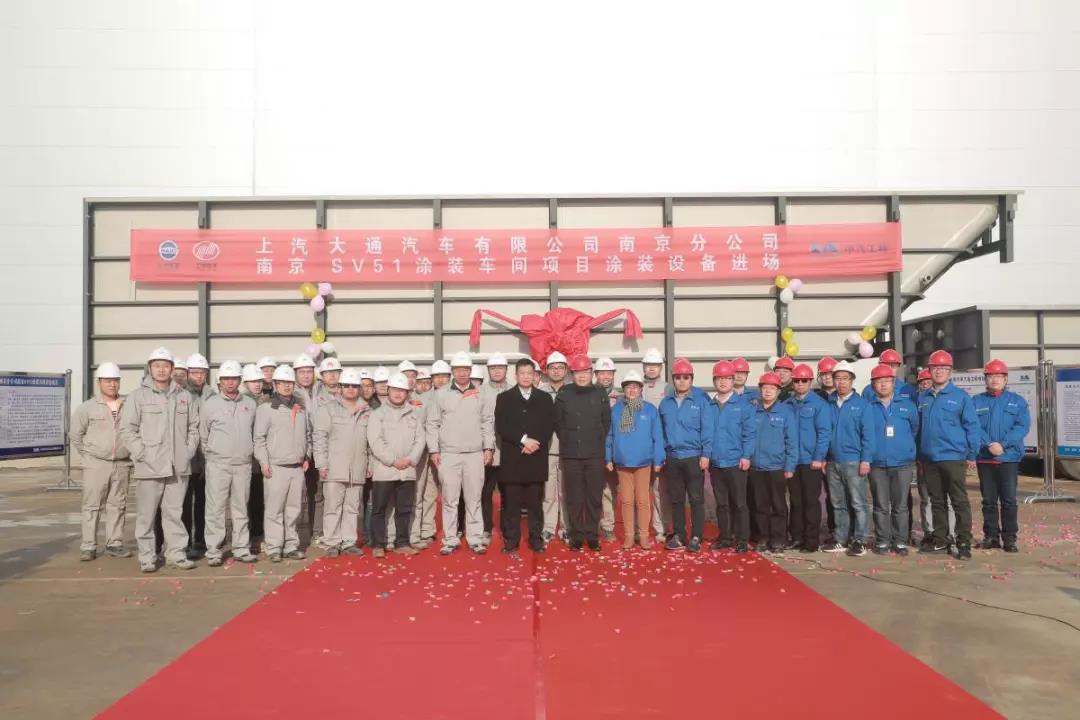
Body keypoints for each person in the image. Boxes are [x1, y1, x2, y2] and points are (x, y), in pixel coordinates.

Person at [119, 347, 200, 572]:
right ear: (150, 368)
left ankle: (176, 554)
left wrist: (188, 451)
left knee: (174, 514)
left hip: (178, 467)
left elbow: (194, 428)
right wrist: (142, 454)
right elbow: (127, 430)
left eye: (165, 365)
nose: (161, 370)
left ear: (172, 369)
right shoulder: (138, 396)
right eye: (157, 366)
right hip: (149, 467)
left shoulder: (184, 397)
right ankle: (147, 557)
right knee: (146, 516)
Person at [427, 351, 495, 555]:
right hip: (449, 454)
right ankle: (450, 539)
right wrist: (434, 449)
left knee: (474, 498)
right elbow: (432, 424)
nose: (462, 373)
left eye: (466, 369)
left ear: (470, 370)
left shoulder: (482, 393)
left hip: (474, 454)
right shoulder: (440, 394)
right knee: (450, 499)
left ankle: (475, 538)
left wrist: (488, 447)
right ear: (452, 371)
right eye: (458, 369)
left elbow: (487, 422)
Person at [917, 350, 981, 560]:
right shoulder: (923, 398)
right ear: (930, 370)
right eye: (935, 368)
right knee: (937, 501)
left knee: (959, 501)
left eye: (943, 368)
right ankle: (941, 539)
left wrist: (972, 453)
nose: (939, 372)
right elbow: (918, 428)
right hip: (930, 458)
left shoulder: (961, 397)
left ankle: (963, 541)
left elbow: (972, 427)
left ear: (950, 371)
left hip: (953, 457)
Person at [70, 362, 133, 561]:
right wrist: (89, 456)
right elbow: (75, 435)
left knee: (118, 504)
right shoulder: (87, 408)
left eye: (115, 381)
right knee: (92, 505)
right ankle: (88, 546)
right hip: (96, 464)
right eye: (107, 381)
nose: (112, 385)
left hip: (122, 463)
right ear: (99, 383)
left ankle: (114, 543)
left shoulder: (128, 406)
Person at [198, 360, 258, 566]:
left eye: (234, 378)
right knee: (215, 509)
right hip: (218, 464)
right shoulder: (210, 404)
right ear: (220, 381)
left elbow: (254, 432)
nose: (230, 382)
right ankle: (214, 550)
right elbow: (203, 435)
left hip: (243, 464)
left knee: (241, 508)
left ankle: (241, 548)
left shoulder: (250, 404)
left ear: (240, 380)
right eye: (226, 379)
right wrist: (212, 455)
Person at [495, 358, 555, 554]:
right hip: (513, 457)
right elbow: (501, 426)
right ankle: (511, 539)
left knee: (535, 503)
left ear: (535, 375)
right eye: (522, 373)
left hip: (536, 456)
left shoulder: (545, 398)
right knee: (511, 503)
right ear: (516, 375)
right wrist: (523, 440)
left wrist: (534, 443)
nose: (527, 377)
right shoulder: (504, 398)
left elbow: (549, 425)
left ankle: (536, 538)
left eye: (530, 373)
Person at [253, 364, 312, 563]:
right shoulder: (266, 409)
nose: (287, 386)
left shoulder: (300, 409)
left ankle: (291, 545)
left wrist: (306, 456)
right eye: (282, 383)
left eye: (290, 383)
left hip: (297, 467)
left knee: (294, 510)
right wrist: (264, 462)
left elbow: (307, 435)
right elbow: (259, 439)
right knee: (274, 510)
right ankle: (274, 547)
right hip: (276, 467)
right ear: (275, 385)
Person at [555, 354, 612, 551]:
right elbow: (558, 422)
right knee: (574, 496)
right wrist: (568, 438)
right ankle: (577, 535)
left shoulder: (600, 393)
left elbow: (606, 421)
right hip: (572, 453)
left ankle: (592, 534)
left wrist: (596, 438)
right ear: (572, 374)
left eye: (585, 372)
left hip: (595, 453)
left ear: (591, 373)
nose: (581, 376)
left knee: (594, 496)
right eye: (577, 372)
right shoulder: (564, 393)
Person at [974, 359, 1030, 553]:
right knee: (988, 501)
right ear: (985, 379)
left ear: (1006, 379)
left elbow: (1022, 427)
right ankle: (991, 537)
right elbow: (973, 426)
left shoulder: (1017, 401)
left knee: (1009, 501)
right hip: (985, 457)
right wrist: (989, 443)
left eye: (999, 376)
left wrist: (1003, 444)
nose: (995, 380)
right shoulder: (976, 401)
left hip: (1009, 458)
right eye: (991, 376)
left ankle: (1009, 539)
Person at [367, 372, 426, 558]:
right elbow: (375, 441)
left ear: (407, 392)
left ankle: (402, 543)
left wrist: (410, 459)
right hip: (385, 469)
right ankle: (378, 544)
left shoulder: (414, 414)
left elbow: (420, 439)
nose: (398, 393)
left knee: (404, 509)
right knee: (379, 508)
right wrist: (393, 460)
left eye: (402, 390)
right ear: (388, 390)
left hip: (407, 469)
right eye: (395, 389)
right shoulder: (377, 414)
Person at [606, 370, 664, 550]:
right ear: (623, 389)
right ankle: (629, 536)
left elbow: (657, 436)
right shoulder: (616, 410)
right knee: (626, 501)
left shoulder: (649, 409)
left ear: (640, 389)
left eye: (635, 387)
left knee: (643, 500)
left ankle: (644, 535)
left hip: (643, 462)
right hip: (622, 462)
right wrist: (608, 457)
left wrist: (658, 459)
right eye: (628, 387)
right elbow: (609, 435)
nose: (632, 390)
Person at [658, 358, 711, 553]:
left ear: (692, 379)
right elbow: (661, 431)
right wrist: (663, 454)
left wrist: (706, 454)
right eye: (678, 377)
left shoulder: (701, 401)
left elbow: (707, 429)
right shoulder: (666, 403)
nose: (681, 381)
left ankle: (696, 536)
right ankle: (679, 535)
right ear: (673, 379)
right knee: (677, 500)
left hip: (693, 457)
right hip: (673, 458)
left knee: (696, 499)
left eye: (686, 377)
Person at [315, 366, 369, 557]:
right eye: (347, 385)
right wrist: (321, 463)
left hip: (357, 467)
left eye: (354, 386)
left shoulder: (367, 410)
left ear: (359, 388)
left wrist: (369, 464)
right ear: (340, 387)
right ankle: (332, 542)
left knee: (352, 508)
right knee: (332, 507)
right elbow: (320, 437)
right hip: (334, 467)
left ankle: (348, 542)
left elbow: (370, 441)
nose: (350, 389)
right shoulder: (328, 409)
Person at [823, 361, 875, 557]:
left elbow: (868, 435)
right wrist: (824, 457)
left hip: (854, 461)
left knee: (858, 503)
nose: (841, 382)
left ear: (852, 380)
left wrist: (866, 460)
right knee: (838, 503)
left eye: (845, 378)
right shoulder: (828, 404)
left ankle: (860, 540)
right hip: (833, 461)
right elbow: (824, 432)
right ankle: (841, 538)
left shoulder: (862, 405)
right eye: (838, 378)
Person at [866, 364, 919, 556]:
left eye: (887, 381)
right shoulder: (867, 407)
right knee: (880, 505)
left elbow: (914, 429)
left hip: (902, 463)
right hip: (877, 464)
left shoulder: (907, 405)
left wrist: (905, 448)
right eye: (879, 381)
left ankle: (900, 541)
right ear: (873, 384)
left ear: (893, 383)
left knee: (900, 506)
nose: (883, 385)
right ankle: (882, 540)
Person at [705, 361, 756, 553]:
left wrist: (746, 455)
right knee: (722, 504)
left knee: (739, 503)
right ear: (714, 381)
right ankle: (725, 537)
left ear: (733, 381)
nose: (723, 382)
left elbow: (750, 433)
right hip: (716, 462)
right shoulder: (709, 405)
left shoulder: (743, 405)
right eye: (719, 378)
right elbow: (706, 433)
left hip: (736, 462)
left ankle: (742, 539)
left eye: (727, 378)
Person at [785, 363, 832, 553]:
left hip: (810, 461)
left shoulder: (819, 405)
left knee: (811, 501)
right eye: (796, 380)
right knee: (795, 501)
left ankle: (811, 541)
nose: (799, 384)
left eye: (803, 380)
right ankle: (797, 537)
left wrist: (818, 457)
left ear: (810, 382)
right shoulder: (787, 405)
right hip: (792, 461)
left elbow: (824, 433)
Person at [749, 372, 796, 553]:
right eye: (765, 388)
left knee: (778, 506)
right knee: (760, 506)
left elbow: (792, 441)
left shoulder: (785, 412)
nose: (768, 391)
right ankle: (763, 537)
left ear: (778, 391)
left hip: (777, 467)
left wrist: (790, 466)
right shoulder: (753, 411)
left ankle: (778, 539)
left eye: (772, 388)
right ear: (760, 390)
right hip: (756, 466)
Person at [410, 360, 450, 549]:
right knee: (417, 490)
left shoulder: (453, 396)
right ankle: (414, 530)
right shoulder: (422, 398)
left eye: (444, 376)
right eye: (437, 377)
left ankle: (427, 529)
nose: (440, 380)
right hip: (424, 451)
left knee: (432, 492)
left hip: (444, 450)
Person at [182, 352, 213, 560]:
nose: (199, 376)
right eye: (194, 372)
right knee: (184, 503)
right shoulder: (181, 395)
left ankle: (201, 540)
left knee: (204, 502)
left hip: (207, 456)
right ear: (188, 373)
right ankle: (184, 542)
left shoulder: (213, 396)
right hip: (187, 457)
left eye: (202, 372)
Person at [291, 354, 323, 548]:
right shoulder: (291, 392)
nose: (305, 375)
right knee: (294, 496)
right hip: (300, 448)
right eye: (301, 372)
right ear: (295, 373)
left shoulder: (322, 390)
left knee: (317, 493)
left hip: (319, 447)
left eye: (309, 371)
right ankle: (291, 535)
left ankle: (317, 532)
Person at [640, 348, 671, 544]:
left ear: (661, 367)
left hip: (660, 445)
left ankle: (661, 528)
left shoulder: (668, 388)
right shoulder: (635, 385)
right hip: (640, 446)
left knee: (660, 490)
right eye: (648, 365)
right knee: (640, 491)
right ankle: (640, 527)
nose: (651, 368)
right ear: (643, 367)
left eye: (655, 365)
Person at [538, 351, 570, 545]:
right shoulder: (540, 392)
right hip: (547, 450)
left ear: (566, 370)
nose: (556, 371)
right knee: (548, 493)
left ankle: (566, 528)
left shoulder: (573, 391)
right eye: (553, 368)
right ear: (546, 370)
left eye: (560, 368)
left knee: (566, 491)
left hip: (568, 450)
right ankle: (549, 528)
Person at [480, 353, 511, 544]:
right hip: (487, 450)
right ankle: (485, 527)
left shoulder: (514, 390)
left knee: (508, 492)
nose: (497, 371)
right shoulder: (479, 392)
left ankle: (508, 529)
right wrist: (486, 447)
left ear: (506, 370)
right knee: (485, 492)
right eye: (493, 368)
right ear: (488, 370)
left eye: (500, 368)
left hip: (508, 450)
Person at [592, 357, 622, 542]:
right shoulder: (588, 394)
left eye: (609, 373)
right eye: (602, 373)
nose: (605, 376)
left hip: (613, 450)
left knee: (610, 489)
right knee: (591, 489)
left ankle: (608, 526)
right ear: (595, 374)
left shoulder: (621, 397)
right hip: (592, 449)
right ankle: (591, 525)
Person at [242, 363, 268, 546]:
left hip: (264, 456)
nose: (257, 384)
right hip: (248, 458)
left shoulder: (268, 401)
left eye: (259, 381)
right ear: (245, 383)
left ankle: (260, 533)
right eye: (253, 381)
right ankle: (251, 535)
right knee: (248, 499)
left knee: (261, 497)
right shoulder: (242, 402)